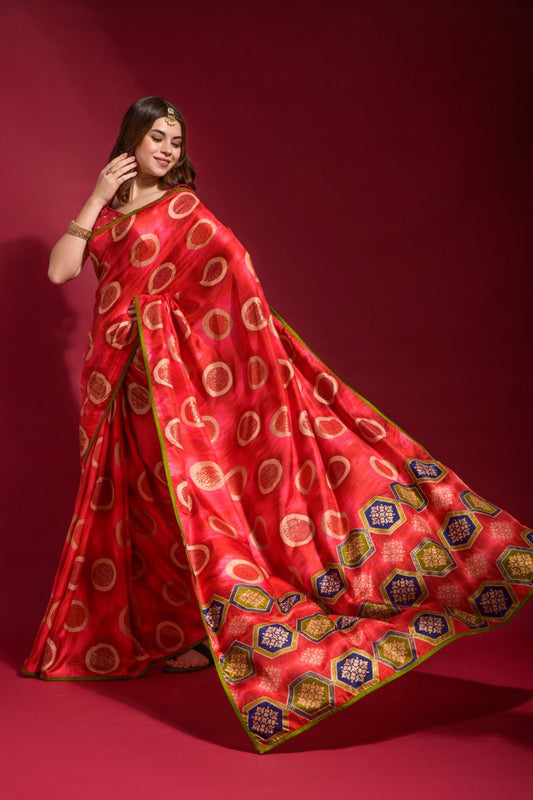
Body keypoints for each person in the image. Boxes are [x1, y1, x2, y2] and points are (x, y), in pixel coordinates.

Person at [22, 96, 532, 754]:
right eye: (157, 137)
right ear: (131, 140)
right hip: (116, 384)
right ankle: (182, 634)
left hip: (171, 387)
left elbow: (235, 276)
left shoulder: (184, 210)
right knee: (141, 509)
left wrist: (195, 345)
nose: (168, 149)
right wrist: (97, 196)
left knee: (198, 509)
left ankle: (273, 634)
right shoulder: (112, 209)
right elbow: (60, 269)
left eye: (176, 140)